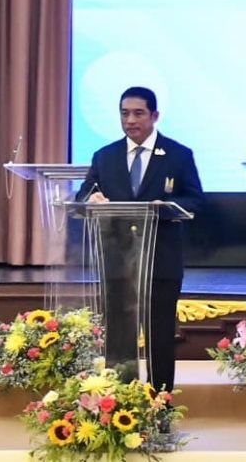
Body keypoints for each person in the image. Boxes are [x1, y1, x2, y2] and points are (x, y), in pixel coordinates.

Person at [76, 86, 206, 393]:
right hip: (117, 259)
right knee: (119, 335)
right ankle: (119, 398)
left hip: (161, 259)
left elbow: (196, 200)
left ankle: (161, 401)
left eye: (138, 113)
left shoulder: (178, 154)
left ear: (154, 116)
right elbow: (83, 196)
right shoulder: (105, 156)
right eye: (124, 114)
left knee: (160, 334)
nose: (130, 120)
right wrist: (90, 199)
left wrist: (168, 207)